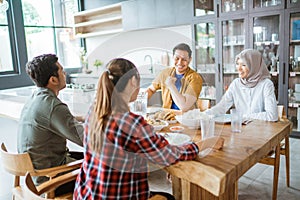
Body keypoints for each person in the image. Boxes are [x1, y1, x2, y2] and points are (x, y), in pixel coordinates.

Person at [73, 58, 224, 200]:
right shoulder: (130, 123)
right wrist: (206, 143)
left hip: (87, 193)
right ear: (133, 81)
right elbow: (170, 155)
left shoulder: (95, 112)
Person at [17, 54, 84, 188]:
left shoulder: (36, 98)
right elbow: (87, 140)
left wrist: (82, 118)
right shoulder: (53, 106)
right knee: (105, 166)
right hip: (50, 180)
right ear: (53, 80)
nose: (65, 73)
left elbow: (53, 118)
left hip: (33, 176)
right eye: (61, 70)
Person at [205, 49, 278, 121]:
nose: (239, 69)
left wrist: (244, 116)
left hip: (261, 130)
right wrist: (204, 114)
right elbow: (221, 107)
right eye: (237, 64)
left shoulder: (266, 84)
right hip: (240, 129)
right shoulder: (236, 84)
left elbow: (272, 115)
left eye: (243, 65)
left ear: (254, 66)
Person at [147, 43, 203, 112]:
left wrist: (171, 86)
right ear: (173, 57)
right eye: (177, 58)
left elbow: (184, 107)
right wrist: (140, 101)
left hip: (186, 118)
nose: (180, 62)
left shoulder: (195, 78)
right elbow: (151, 89)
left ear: (190, 59)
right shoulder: (165, 73)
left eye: (184, 59)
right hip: (167, 117)